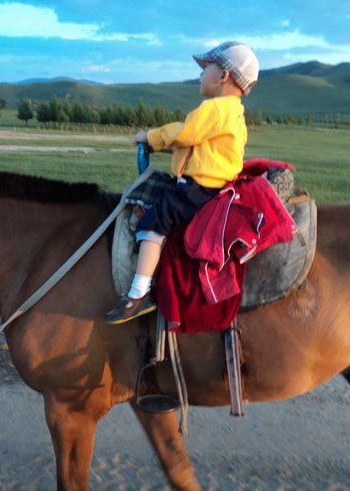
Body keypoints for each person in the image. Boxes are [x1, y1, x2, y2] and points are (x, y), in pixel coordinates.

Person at [105, 41, 259, 325]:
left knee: (153, 222)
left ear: (223, 75)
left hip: (198, 187)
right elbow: (197, 145)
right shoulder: (234, 112)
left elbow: (186, 133)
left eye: (205, 68)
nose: (200, 75)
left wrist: (150, 137)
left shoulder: (214, 109)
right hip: (214, 185)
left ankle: (139, 293)